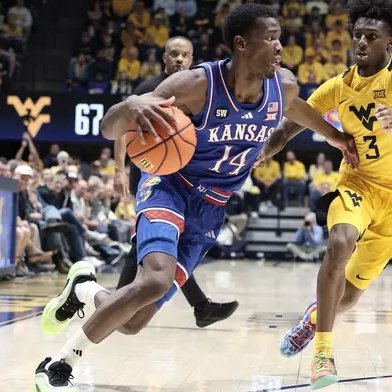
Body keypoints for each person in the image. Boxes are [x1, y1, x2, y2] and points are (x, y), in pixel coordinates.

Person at [33, 5, 357, 390]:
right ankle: (58, 363)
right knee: (154, 280)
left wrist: (335, 137)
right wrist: (131, 105)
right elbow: (109, 127)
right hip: (168, 185)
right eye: (270, 38)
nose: (279, 46)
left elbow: (295, 109)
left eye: (279, 38)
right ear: (241, 43)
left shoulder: (282, 86)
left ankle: (85, 288)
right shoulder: (195, 86)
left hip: (211, 207)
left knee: (133, 323)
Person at [265, 0, 392, 388]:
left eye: (371, 36)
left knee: (349, 296)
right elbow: (291, 124)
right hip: (358, 184)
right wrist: (262, 152)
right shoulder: (339, 86)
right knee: (339, 242)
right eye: (357, 34)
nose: (360, 42)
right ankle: (323, 355)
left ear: (390, 42)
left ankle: (311, 320)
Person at [111, 35, 241, 328]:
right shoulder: (149, 90)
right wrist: (119, 170)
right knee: (148, 242)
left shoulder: (198, 90)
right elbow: (121, 130)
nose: (179, 59)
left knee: (168, 245)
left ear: (192, 59)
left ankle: (198, 306)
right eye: (174, 54)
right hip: (150, 175)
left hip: (183, 178)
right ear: (164, 58)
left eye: (185, 55)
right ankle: (119, 300)